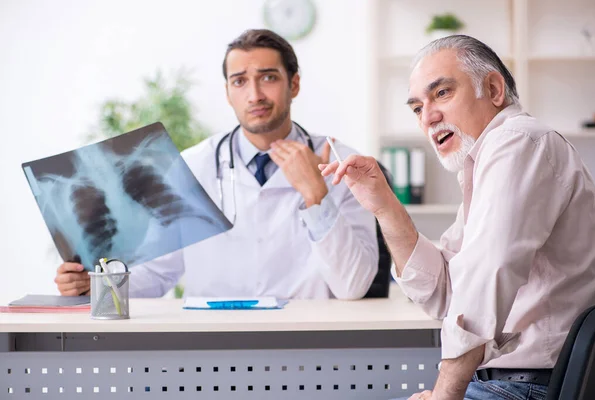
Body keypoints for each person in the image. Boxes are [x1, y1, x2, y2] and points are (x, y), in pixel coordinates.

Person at [321, 35, 595, 399]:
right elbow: (442, 294)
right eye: (417, 108)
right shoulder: (485, 163)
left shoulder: (518, 141)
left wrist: (444, 395)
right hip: (510, 383)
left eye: (441, 94)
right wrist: (384, 206)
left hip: (531, 386)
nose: (428, 117)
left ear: (494, 89)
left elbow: (485, 281)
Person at [55, 29, 378, 300]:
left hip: (310, 347)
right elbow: (158, 272)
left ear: (293, 84)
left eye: (268, 78)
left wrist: (316, 194)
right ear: (227, 93)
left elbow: (353, 286)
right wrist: (95, 286)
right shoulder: (192, 166)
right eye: (239, 81)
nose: (254, 95)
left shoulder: (342, 164)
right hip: (213, 349)